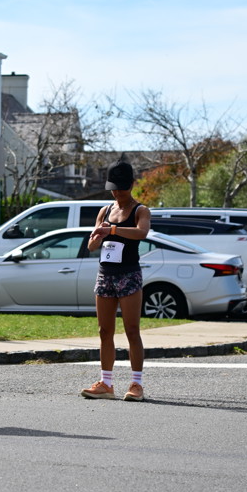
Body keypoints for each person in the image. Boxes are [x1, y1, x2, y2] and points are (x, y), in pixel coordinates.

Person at [80, 161, 150, 402]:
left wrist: (112, 231)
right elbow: (91, 245)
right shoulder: (105, 210)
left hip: (129, 274)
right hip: (105, 274)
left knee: (132, 329)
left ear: (132, 185)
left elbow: (141, 233)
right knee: (104, 330)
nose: (117, 193)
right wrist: (98, 235)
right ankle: (106, 383)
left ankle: (136, 384)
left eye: (122, 188)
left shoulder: (140, 210)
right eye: (114, 188)